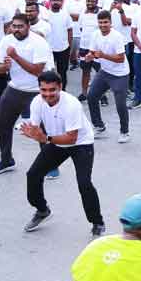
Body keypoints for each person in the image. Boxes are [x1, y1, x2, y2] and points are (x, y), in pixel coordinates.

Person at [20, 70, 104, 236]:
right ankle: (42, 210)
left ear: (60, 87)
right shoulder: (37, 102)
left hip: (81, 144)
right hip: (56, 141)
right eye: (43, 90)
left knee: (84, 183)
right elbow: (36, 129)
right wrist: (33, 133)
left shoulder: (72, 104)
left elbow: (71, 139)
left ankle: (97, 222)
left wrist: (45, 138)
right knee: (33, 174)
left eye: (52, 90)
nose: (47, 94)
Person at [0, 13, 52, 174]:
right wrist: (4, 67)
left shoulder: (39, 42)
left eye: (20, 26)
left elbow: (38, 71)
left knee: (42, 129)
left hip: (37, 91)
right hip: (15, 88)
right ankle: (6, 160)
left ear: (28, 27)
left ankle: (51, 165)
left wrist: (15, 57)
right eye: (14, 26)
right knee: (1, 123)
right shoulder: (6, 40)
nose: (16, 30)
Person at [83, 10, 130, 142]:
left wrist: (103, 55)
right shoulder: (95, 35)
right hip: (105, 72)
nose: (103, 25)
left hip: (120, 74)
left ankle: (124, 132)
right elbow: (93, 51)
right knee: (91, 96)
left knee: (120, 104)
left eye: (105, 22)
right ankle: (99, 126)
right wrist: (89, 56)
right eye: (100, 22)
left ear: (111, 23)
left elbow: (121, 58)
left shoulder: (117, 36)